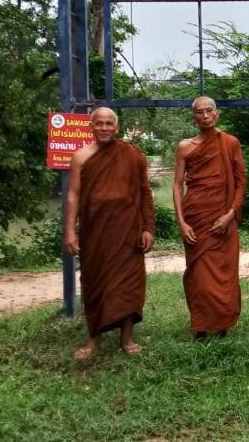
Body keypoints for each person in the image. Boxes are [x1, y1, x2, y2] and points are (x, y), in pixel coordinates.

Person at [64, 107, 155, 360]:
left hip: (128, 231)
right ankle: (94, 339)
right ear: (91, 127)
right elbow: (73, 195)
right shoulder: (81, 157)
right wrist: (70, 231)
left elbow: (145, 192)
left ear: (117, 127)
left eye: (109, 123)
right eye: (99, 123)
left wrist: (148, 227)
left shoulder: (133, 154)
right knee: (94, 282)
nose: (104, 128)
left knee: (129, 284)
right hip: (94, 232)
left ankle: (127, 339)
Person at [172, 96, 245, 339]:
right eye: (199, 112)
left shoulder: (230, 143)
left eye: (209, 110)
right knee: (199, 274)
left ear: (216, 113)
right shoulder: (185, 146)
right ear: (193, 117)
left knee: (224, 272)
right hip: (196, 217)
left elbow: (240, 181)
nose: (205, 116)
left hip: (223, 215)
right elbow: (177, 185)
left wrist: (230, 214)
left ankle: (222, 324)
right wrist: (181, 222)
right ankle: (201, 326)